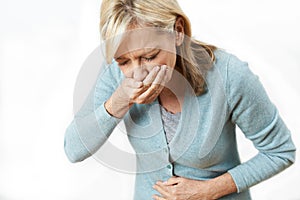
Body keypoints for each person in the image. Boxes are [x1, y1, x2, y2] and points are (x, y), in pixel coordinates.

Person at [64, 0, 296, 199]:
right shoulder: (116, 75)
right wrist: (118, 101)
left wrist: (210, 190)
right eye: (123, 61)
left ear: (177, 31)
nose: (137, 72)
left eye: (149, 56)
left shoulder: (229, 76)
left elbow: (280, 151)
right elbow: (73, 150)